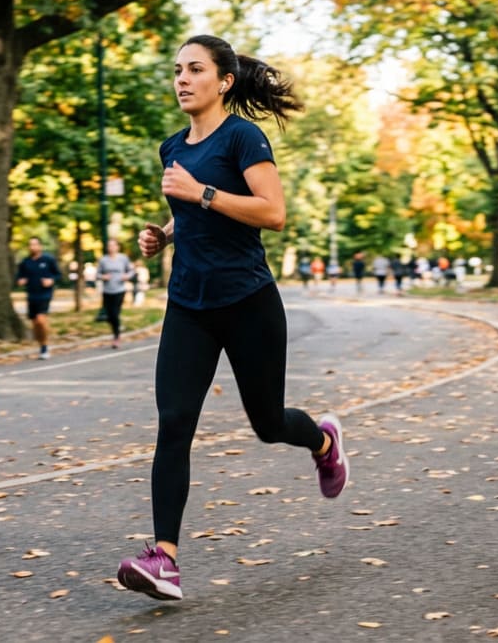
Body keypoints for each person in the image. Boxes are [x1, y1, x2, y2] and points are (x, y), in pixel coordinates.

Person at [117, 35, 348, 602]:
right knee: (174, 423)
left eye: (195, 69)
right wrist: (163, 233)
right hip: (188, 305)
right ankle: (164, 560)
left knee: (268, 424)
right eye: (177, 70)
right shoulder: (172, 146)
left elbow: (273, 213)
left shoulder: (243, 136)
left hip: (248, 302)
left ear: (223, 82)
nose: (182, 79)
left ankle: (321, 442)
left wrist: (200, 194)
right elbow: (196, 215)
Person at [15, 236, 60, 359]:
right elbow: (19, 277)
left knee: (41, 320)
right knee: (35, 323)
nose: (33, 247)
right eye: (30, 245)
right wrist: (21, 281)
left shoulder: (48, 259)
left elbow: (57, 274)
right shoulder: (26, 262)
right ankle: (41, 345)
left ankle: (45, 347)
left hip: (45, 294)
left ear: (40, 246)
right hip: (31, 294)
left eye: (35, 244)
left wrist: (51, 280)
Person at [97, 238, 136, 348]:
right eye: (109, 246)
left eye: (113, 245)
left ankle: (116, 337)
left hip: (119, 290)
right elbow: (97, 275)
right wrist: (103, 276)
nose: (111, 248)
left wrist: (126, 276)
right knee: (109, 315)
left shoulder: (123, 258)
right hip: (107, 291)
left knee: (114, 313)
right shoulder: (103, 260)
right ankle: (117, 327)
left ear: (117, 247)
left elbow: (131, 271)